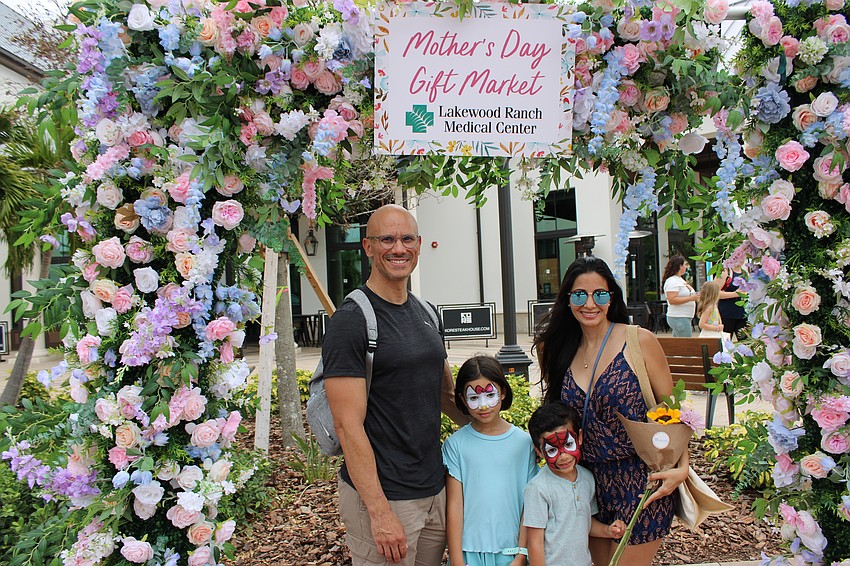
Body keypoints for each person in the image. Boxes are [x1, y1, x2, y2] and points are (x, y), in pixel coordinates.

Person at [322, 204, 468, 565]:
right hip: (385, 497)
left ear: (419, 245)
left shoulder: (427, 313)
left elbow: (445, 395)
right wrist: (379, 513)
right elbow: (346, 425)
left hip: (434, 488)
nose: (398, 248)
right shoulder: (352, 321)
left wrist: (500, 436)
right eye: (386, 239)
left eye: (406, 239)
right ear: (368, 247)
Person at [533, 256, 688, 566]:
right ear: (567, 299)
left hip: (641, 481)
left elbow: (672, 411)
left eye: (599, 294)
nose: (590, 303)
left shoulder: (639, 341)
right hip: (584, 484)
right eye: (579, 294)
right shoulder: (556, 348)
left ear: (611, 298)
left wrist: (681, 467)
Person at [442, 355, 538, 566]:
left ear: (503, 392)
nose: (483, 406)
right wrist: (457, 559)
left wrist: (521, 554)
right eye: (474, 398)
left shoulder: (524, 444)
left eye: (490, 395)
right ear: (462, 398)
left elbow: (528, 505)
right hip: (468, 553)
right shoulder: (455, 445)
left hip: (511, 553)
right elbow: (455, 505)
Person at [523, 402, 626, 566]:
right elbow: (535, 541)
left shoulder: (587, 478)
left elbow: (585, 522)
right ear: (539, 452)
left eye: (568, 444)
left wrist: (608, 531)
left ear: (579, 437)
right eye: (552, 450)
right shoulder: (538, 488)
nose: (563, 456)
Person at [662, 255, 699, 337]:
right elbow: (672, 300)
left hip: (684, 316)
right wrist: (690, 298)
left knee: (678, 343)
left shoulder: (680, 280)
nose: (686, 267)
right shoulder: (672, 281)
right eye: (684, 265)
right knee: (687, 343)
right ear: (680, 266)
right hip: (679, 316)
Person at [718, 268, 748, 340]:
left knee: (745, 344)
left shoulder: (745, 273)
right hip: (727, 315)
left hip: (743, 315)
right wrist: (735, 294)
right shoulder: (725, 272)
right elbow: (715, 293)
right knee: (725, 343)